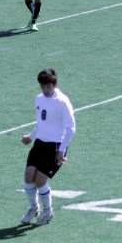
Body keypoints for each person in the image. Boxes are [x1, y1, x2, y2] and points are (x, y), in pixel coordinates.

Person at [19, 68, 75, 225]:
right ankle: (33, 207)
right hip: (39, 144)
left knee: (39, 180)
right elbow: (41, 124)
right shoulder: (39, 99)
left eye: (48, 87)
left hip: (55, 147)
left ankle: (48, 211)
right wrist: (30, 137)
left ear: (55, 84)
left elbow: (71, 128)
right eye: (43, 87)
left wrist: (62, 150)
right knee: (28, 176)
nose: (45, 90)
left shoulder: (62, 102)